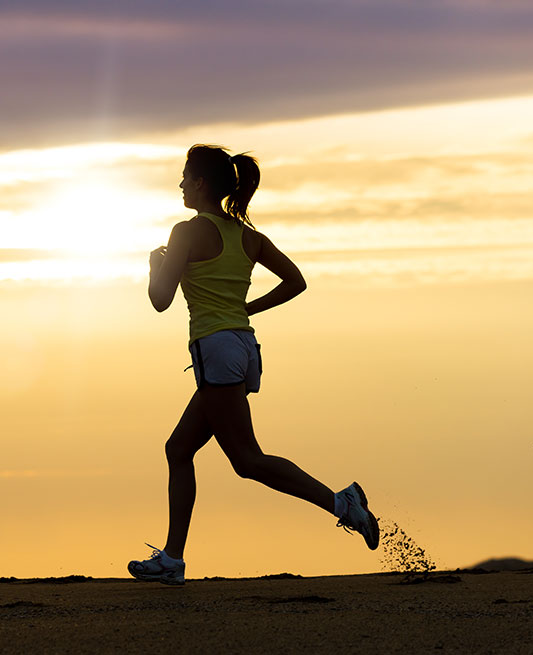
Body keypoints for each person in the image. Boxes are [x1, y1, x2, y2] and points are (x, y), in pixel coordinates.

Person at [127, 144, 379, 586]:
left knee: (247, 459)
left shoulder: (185, 232)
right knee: (179, 449)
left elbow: (160, 301)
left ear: (202, 182)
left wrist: (155, 265)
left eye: (186, 176)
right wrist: (246, 310)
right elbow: (295, 281)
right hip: (243, 348)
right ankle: (172, 559)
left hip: (217, 350)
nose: (181, 183)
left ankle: (343, 504)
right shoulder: (247, 236)